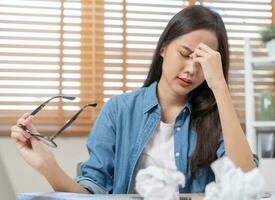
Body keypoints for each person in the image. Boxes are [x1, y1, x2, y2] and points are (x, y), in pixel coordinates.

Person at [11, 5, 258, 194]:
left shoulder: (218, 116)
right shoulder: (119, 110)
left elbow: (245, 180)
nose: (191, 69)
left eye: (203, 62)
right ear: (163, 48)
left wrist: (220, 87)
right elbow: (92, 191)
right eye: (184, 54)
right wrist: (47, 165)